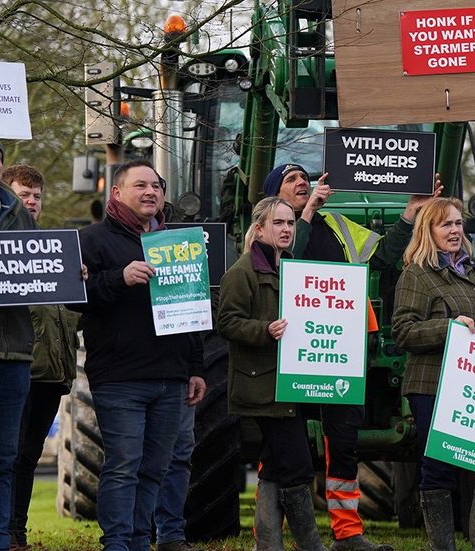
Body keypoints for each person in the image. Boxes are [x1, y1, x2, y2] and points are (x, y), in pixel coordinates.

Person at [267, 162, 440, 551]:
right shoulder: (269, 231)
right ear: (272, 195)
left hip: (342, 349)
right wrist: (307, 212)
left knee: (343, 442)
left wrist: (412, 211)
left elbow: (382, 256)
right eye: (290, 180)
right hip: (289, 351)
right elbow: (286, 260)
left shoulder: (339, 225)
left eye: (304, 179)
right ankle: (276, 535)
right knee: (283, 444)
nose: (302, 184)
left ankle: (348, 534)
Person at [70, 159, 206, 551]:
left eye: (156, 186)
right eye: (140, 185)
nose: (151, 192)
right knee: (124, 465)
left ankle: (138, 541)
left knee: (154, 469)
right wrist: (119, 278)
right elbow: (77, 299)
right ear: (117, 192)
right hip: (121, 377)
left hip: (171, 377)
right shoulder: (92, 240)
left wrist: (195, 368)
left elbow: (192, 310)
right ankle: (116, 542)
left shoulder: (178, 244)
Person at [391, 197, 475, 550]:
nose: (456, 230)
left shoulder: (471, 272)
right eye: (446, 224)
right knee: (439, 468)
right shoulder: (416, 273)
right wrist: (448, 327)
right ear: (428, 231)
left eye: (458, 223)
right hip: (434, 385)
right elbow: (403, 331)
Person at [218, 196, 331, 551]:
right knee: (297, 466)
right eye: (278, 223)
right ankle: (311, 546)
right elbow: (227, 323)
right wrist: (264, 330)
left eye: (290, 223)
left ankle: (268, 545)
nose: (285, 229)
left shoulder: (294, 269)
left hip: (290, 383)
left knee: (275, 465)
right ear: (259, 228)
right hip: (262, 386)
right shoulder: (242, 272)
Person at [4, 165, 79, 551]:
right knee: (8, 455)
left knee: (29, 457)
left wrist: (78, 284)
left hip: (51, 375)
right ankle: (4, 532)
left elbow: (68, 315)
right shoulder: (2, 244)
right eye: (23, 195)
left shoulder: (55, 248)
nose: (31, 202)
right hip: (14, 368)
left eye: (36, 196)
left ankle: (17, 531)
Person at [0, 135, 37, 551]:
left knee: (4, 457)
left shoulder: (19, 213)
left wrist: (67, 273)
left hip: (13, 353)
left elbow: (37, 270)